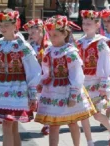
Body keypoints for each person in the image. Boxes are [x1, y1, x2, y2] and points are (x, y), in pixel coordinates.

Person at [0, 9, 41, 146]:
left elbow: (33, 69)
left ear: (15, 25)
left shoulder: (22, 45)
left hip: (18, 88)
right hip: (0, 87)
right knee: (11, 125)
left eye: (6, 25)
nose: (2, 28)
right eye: (1, 25)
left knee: (8, 124)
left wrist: (32, 95)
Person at [34, 16, 95, 146]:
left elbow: (77, 75)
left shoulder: (70, 52)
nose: (51, 38)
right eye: (50, 35)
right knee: (53, 124)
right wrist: (41, 82)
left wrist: (74, 94)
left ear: (64, 34)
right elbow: (46, 70)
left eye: (55, 35)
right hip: (52, 90)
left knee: (72, 122)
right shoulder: (49, 51)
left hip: (67, 90)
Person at [77, 10, 110, 146]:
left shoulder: (100, 42)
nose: (85, 26)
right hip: (83, 81)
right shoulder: (79, 42)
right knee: (83, 114)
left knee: (96, 114)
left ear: (97, 25)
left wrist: (103, 82)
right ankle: (90, 142)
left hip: (96, 81)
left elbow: (104, 63)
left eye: (89, 23)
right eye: (84, 23)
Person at [22, 19, 51, 135]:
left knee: (45, 100)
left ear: (40, 30)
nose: (31, 36)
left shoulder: (48, 45)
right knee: (36, 100)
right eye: (29, 34)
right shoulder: (30, 46)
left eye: (33, 33)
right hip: (34, 76)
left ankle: (48, 124)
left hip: (45, 76)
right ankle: (46, 122)